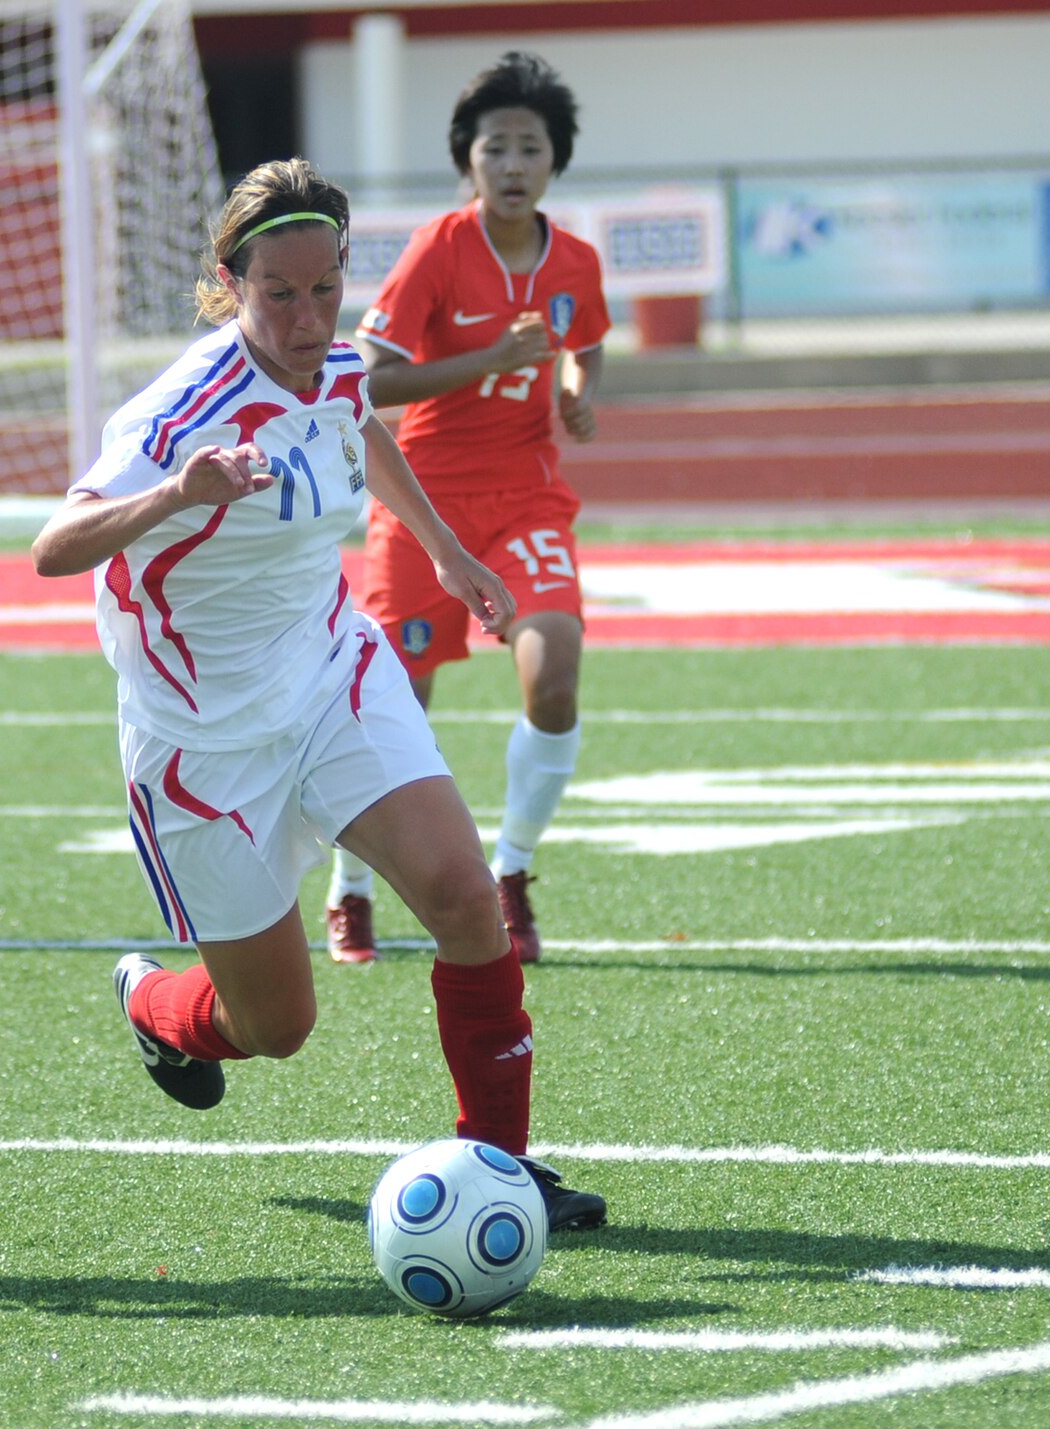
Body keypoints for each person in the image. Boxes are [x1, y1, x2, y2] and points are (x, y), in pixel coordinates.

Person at [31, 158, 605, 1233]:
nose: (305, 318)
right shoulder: (182, 407)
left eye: (323, 288)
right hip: (202, 745)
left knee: (462, 897)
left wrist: (442, 551)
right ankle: (157, 1007)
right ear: (229, 283)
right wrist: (177, 489)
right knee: (273, 1026)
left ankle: (501, 1168)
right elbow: (51, 545)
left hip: (333, 670)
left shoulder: (334, 364)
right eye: (277, 294)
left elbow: (358, 424)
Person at [325, 52, 608, 966]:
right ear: (469, 162)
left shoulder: (576, 260)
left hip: (526, 493)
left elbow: (586, 342)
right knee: (396, 701)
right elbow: (371, 379)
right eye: (497, 147)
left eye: (531, 146)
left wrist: (573, 384)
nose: (515, 163)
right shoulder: (439, 249)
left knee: (554, 667)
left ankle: (512, 873)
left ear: (554, 160)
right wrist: (489, 362)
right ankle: (352, 887)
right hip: (425, 499)